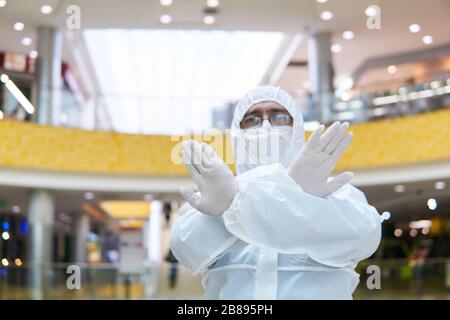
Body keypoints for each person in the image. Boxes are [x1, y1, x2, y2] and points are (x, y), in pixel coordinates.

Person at [170, 86, 385, 299]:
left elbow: (364, 237)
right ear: (237, 131)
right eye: (252, 119)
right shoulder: (215, 194)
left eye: (279, 116)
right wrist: (228, 207)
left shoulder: (337, 192)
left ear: (297, 126)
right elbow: (186, 249)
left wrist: (289, 195)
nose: (265, 125)